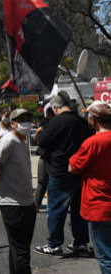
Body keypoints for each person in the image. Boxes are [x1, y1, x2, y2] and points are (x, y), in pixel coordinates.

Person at [34, 91, 92, 257]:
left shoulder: (56, 122)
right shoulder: (81, 122)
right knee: (78, 210)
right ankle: (81, 243)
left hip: (60, 170)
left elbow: (43, 141)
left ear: (55, 107)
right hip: (79, 170)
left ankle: (53, 244)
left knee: (56, 209)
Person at [0, 108, 37, 274]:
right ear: (13, 123)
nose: (26, 123)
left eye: (28, 119)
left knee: (19, 249)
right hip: (13, 204)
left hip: (27, 202)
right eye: (21, 120)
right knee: (21, 251)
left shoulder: (24, 140)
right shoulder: (7, 141)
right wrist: (0, 186)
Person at [69, 102, 111, 273]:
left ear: (93, 120)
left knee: (106, 257)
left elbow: (73, 167)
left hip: (99, 205)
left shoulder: (92, 143)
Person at [34, 105, 55, 209]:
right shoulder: (54, 123)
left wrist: (38, 140)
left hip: (45, 156)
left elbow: (37, 133)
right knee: (46, 182)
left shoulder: (46, 123)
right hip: (49, 156)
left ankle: (36, 204)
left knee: (42, 182)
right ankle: (38, 204)